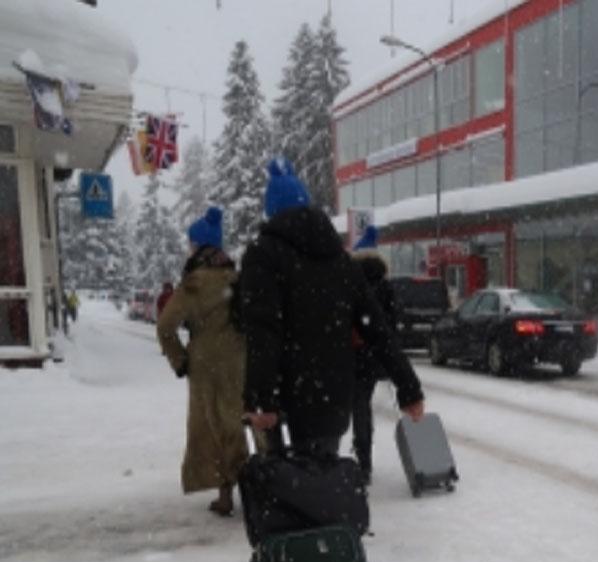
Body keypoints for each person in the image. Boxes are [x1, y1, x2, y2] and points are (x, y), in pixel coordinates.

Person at [240, 158, 424, 457]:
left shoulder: (263, 256)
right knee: (322, 484)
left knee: (287, 489)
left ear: (271, 212)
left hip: (286, 400)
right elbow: (376, 327)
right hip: (333, 400)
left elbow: (263, 331)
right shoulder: (339, 260)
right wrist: (408, 388)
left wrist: (261, 398)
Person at [157, 207, 247, 516]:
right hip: (238, 360)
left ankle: (225, 495)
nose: (189, 248)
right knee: (237, 422)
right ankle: (252, 487)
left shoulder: (193, 283)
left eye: (191, 243)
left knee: (211, 428)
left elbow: (165, 326)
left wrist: (179, 360)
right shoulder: (235, 277)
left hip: (205, 365)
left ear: (199, 246)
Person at [351, 252, 398, 484]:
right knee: (362, 408)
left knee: (346, 408)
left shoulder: (351, 285)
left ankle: (333, 459)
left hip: (348, 357)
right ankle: (364, 459)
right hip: (372, 358)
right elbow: (392, 324)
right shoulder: (385, 288)